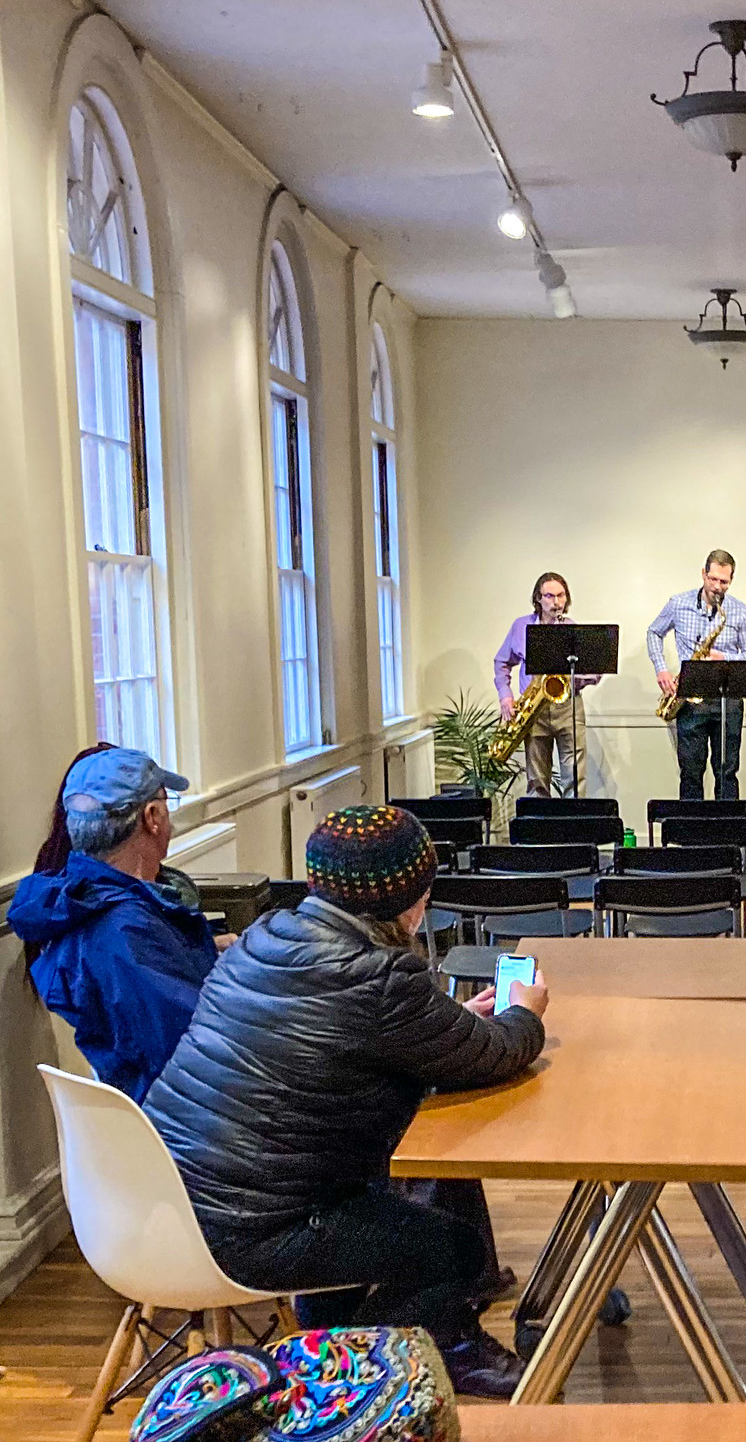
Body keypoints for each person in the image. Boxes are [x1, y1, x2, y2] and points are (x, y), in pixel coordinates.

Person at [145, 806, 548, 1398]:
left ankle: (333, 1326)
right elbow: (496, 1053)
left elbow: (344, 1033)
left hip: (167, 1203)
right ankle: (398, 1352)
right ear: (410, 900)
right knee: (453, 1249)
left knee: (409, 1199)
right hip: (256, 1232)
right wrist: (526, 1012)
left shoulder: (264, 936)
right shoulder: (382, 978)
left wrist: (450, 1023)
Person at [6, 748, 222, 1102]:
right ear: (152, 817)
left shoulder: (90, 904)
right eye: (167, 803)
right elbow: (195, 1053)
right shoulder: (124, 932)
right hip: (182, 1121)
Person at [648, 549, 746, 800]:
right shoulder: (679, 603)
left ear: (731, 581)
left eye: (724, 582)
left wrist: (725, 658)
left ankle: (727, 832)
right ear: (703, 574)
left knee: (727, 772)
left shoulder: (740, 611)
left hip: (727, 701)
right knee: (690, 772)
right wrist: (661, 669)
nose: (717, 587)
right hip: (690, 699)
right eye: (713, 579)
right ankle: (691, 836)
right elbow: (654, 632)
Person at [494, 571, 601, 796]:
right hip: (534, 709)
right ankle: (540, 830)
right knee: (537, 780)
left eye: (561, 596)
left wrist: (588, 676)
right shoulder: (520, 626)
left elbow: (585, 673)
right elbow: (502, 662)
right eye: (550, 596)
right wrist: (505, 696)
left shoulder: (572, 628)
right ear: (538, 599)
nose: (556, 602)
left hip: (568, 708)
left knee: (575, 776)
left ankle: (573, 826)